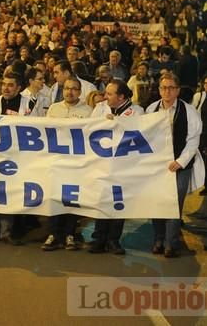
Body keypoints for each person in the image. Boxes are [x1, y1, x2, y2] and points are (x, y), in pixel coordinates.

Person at [146, 73, 203, 258]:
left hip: (180, 166)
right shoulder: (151, 109)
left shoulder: (189, 111)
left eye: (171, 87)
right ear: (159, 89)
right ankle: (158, 239)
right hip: (157, 167)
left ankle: (171, 243)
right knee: (156, 202)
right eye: (163, 87)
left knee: (174, 204)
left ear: (177, 90)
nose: (167, 91)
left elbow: (193, 141)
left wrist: (180, 161)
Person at [89, 80, 144, 255]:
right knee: (101, 200)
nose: (105, 97)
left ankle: (113, 240)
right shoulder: (100, 108)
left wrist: (118, 123)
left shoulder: (138, 111)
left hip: (125, 165)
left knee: (118, 203)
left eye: (110, 94)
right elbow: (89, 129)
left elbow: (138, 134)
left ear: (121, 97)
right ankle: (98, 239)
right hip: (103, 163)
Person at [42, 77, 92, 252]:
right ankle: (54, 234)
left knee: (71, 199)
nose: (69, 92)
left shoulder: (88, 111)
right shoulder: (54, 109)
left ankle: (70, 234)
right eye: (66, 89)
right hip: (55, 162)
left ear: (80, 92)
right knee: (54, 198)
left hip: (76, 164)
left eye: (74, 89)